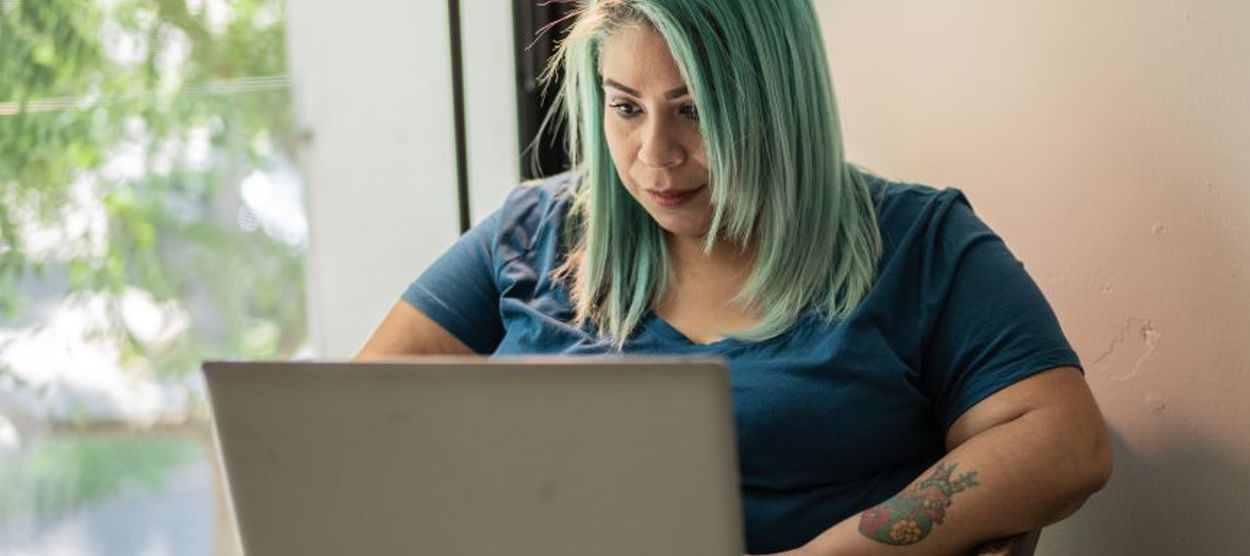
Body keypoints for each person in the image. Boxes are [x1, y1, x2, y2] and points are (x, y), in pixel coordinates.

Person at [358, 1, 1111, 554]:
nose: (655, 154)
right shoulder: (534, 229)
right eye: (625, 108)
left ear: (779, 105)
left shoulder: (918, 243)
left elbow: (1065, 444)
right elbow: (356, 424)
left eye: (694, 111)